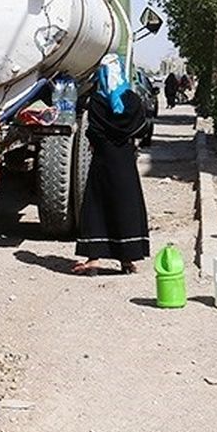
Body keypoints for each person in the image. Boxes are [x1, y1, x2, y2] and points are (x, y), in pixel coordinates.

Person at [73, 54, 151, 275]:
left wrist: (102, 143)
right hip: (125, 160)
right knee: (126, 204)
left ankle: (94, 259)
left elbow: (94, 131)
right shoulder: (132, 100)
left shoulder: (97, 101)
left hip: (103, 161)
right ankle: (127, 260)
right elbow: (141, 129)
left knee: (97, 204)